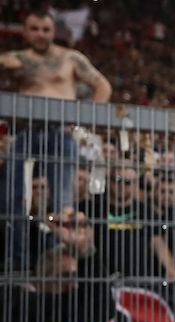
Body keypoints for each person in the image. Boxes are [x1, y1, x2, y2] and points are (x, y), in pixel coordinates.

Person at [0, 9, 112, 272]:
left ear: (54, 32)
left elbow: (103, 86)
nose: (40, 35)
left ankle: (60, 263)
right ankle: (18, 267)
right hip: (26, 132)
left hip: (61, 132)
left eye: (45, 29)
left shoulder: (70, 58)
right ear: (24, 31)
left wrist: (84, 119)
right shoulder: (16, 59)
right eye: (34, 29)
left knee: (62, 202)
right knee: (15, 200)